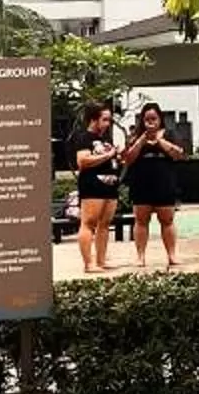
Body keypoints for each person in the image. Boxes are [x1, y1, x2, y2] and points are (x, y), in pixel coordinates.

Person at [123, 102, 188, 269]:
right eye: (147, 119)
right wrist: (142, 140)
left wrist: (160, 141)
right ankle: (140, 257)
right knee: (141, 220)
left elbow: (179, 154)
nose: (150, 122)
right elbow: (128, 158)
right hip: (141, 183)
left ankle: (172, 255)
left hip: (164, 182)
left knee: (167, 220)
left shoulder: (171, 134)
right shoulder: (136, 136)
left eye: (154, 118)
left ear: (160, 119)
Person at [70, 101, 121, 274]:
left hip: (110, 184)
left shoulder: (104, 139)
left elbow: (110, 157)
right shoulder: (84, 137)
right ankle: (88, 263)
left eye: (109, 120)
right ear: (94, 119)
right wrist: (108, 155)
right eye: (105, 120)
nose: (107, 124)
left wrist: (116, 156)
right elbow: (82, 161)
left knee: (105, 224)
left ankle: (101, 260)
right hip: (92, 184)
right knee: (89, 222)